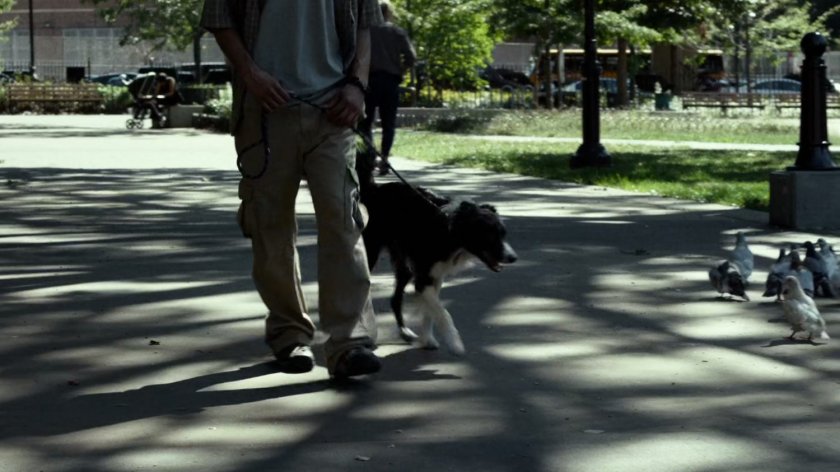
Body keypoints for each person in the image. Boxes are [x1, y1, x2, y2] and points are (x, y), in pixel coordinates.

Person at [200, 0, 384, 379]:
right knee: (270, 226)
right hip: (264, 112)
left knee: (342, 220)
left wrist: (357, 86)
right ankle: (290, 334)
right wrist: (250, 74)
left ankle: (349, 344)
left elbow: (366, 24)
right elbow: (219, 19)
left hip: (334, 108)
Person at [358, 0, 416, 175]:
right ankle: (384, 158)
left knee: (365, 123)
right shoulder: (397, 32)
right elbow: (411, 57)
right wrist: (401, 69)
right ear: (389, 12)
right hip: (390, 81)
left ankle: (368, 157)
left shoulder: (365, 31)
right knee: (388, 123)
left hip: (368, 81)